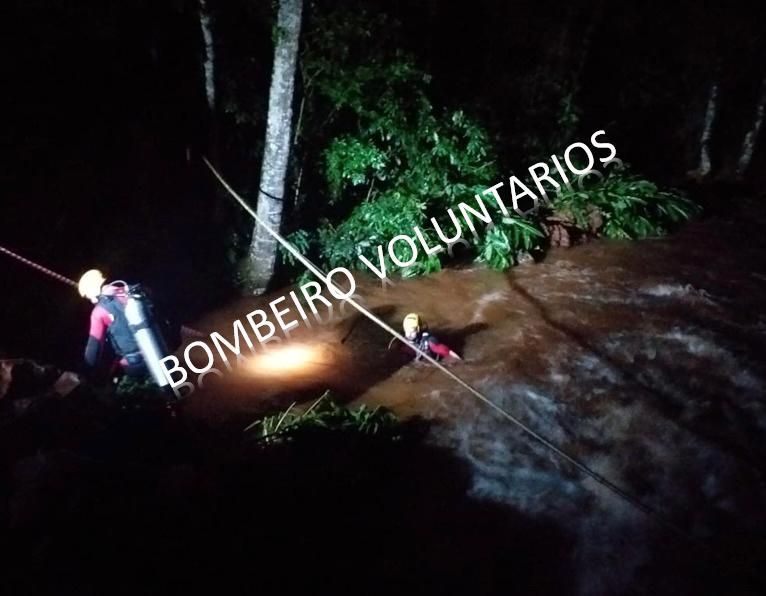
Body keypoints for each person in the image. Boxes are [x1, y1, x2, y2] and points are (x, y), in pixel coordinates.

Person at [78, 269, 170, 389]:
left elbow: (93, 349)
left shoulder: (99, 312)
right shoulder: (136, 291)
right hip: (162, 348)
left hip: (135, 365)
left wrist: (84, 373)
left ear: (92, 292)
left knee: (123, 391)